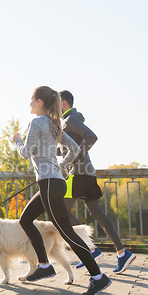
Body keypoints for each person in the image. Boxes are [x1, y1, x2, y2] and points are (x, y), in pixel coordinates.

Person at [12, 86, 111, 295]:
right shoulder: (54, 123)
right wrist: (62, 166)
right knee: (26, 219)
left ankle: (98, 277)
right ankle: (44, 265)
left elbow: (25, 153)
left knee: (66, 232)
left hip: (49, 183)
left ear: (39, 102)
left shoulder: (37, 122)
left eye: (31, 99)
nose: (29, 103)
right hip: (53, 181)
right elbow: (75, 148)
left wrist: (17, 140)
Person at [58, 90, 136, 274]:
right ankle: (122, 253)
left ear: (63, 104)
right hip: (85, 173)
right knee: (98, 214)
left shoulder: (70, 120)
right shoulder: (67, 121)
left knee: (61, 211)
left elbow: (91, 137)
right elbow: (68, 149)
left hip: (78, 174)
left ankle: (91, 250)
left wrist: (77, 154)